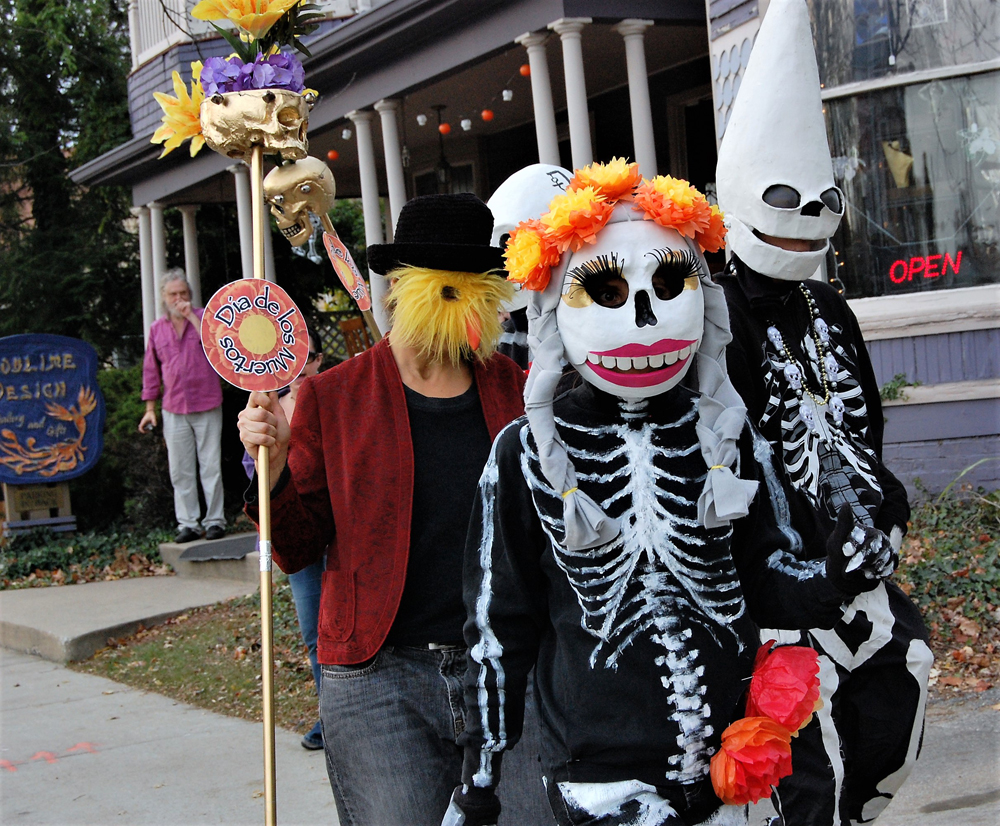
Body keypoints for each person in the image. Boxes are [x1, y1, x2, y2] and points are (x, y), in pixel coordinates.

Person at [445, 161, 898, 826]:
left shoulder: (725, 433)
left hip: (733, 765)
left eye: (668, 284)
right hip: (603, 779)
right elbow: (498, 624)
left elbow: (765, 575)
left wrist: (837, 571)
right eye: (605, 290)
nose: (645, 317)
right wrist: (479, 777)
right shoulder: (525, 453)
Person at [237, 193, 550, 826]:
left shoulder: (519, 391)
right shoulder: (333, 397)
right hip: (379, 678)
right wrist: (273, 474)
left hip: (506, 668)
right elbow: (298, 547)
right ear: (401, 290)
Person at [714, 2, 932, 824]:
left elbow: (862, 426)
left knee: (895, 709)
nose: (806, 219)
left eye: (823, 202)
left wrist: (887, 513)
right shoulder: (711, 317)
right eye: (784, 200)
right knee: (805, 777)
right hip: (775, 595)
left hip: (860, 573)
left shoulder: (829, 310)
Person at [241, 326, 325, 750]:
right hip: (298, 535)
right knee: (314, 633)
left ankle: (344, 714)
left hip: (339, 533)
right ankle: (329, 714)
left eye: (306, 358)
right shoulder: (269, 407)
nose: (298, 367)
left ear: (318, 360)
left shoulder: (334, 397)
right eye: (291, 359)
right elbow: (255, 473)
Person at [140, 268, 226, 543]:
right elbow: (151, 371)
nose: (178, 299)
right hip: (174, 407)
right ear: (164, 297)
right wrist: (150, 409)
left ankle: (215, 521)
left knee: (210, 466)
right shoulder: (157, 329)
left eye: (183, 293)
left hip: (207, 402)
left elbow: (216, 346)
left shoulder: (203, 318)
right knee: (180, 469)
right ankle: (188, 524)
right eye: (173, 294)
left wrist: (191, 316)